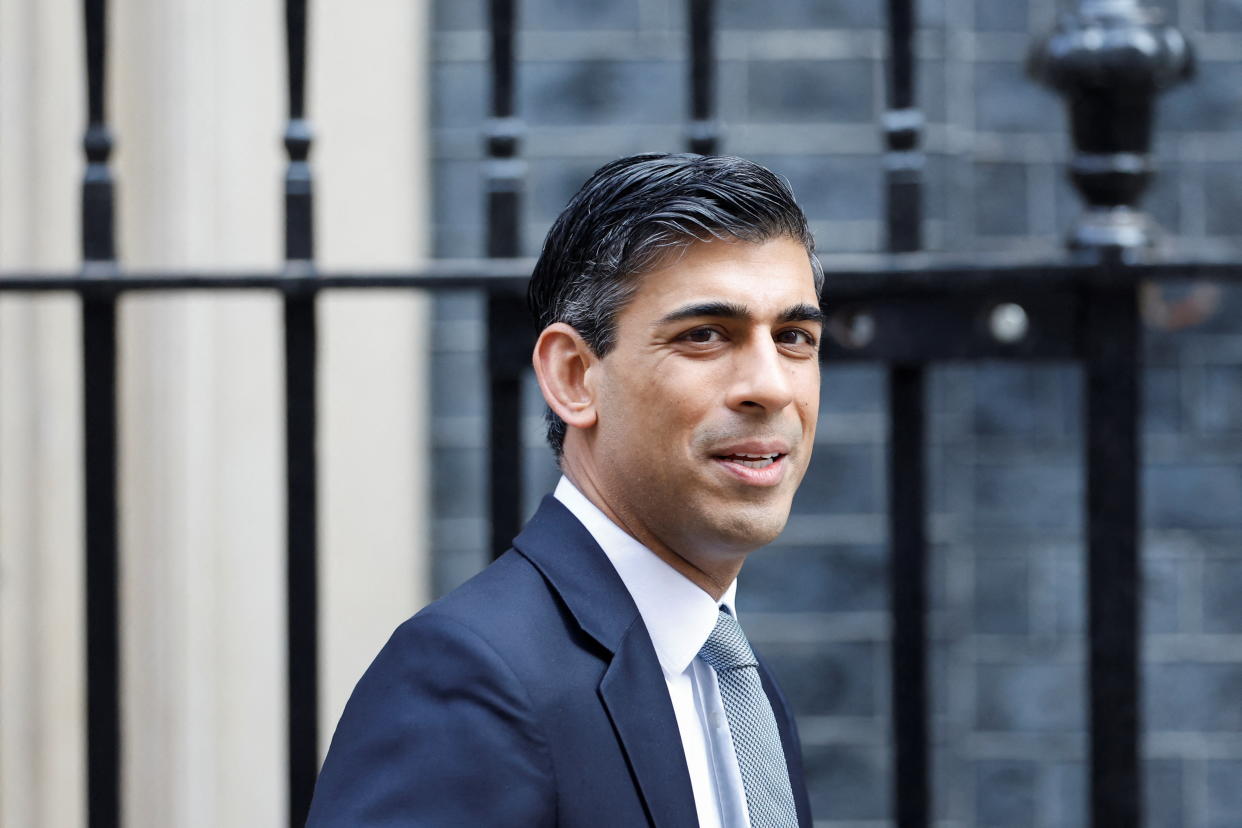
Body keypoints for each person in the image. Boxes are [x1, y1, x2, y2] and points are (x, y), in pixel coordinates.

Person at [306, 153, 824, 827]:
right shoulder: (469, 679)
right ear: (574, 377)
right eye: (704, 336)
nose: (772, 385)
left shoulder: (731, 678)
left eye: (793, 337)